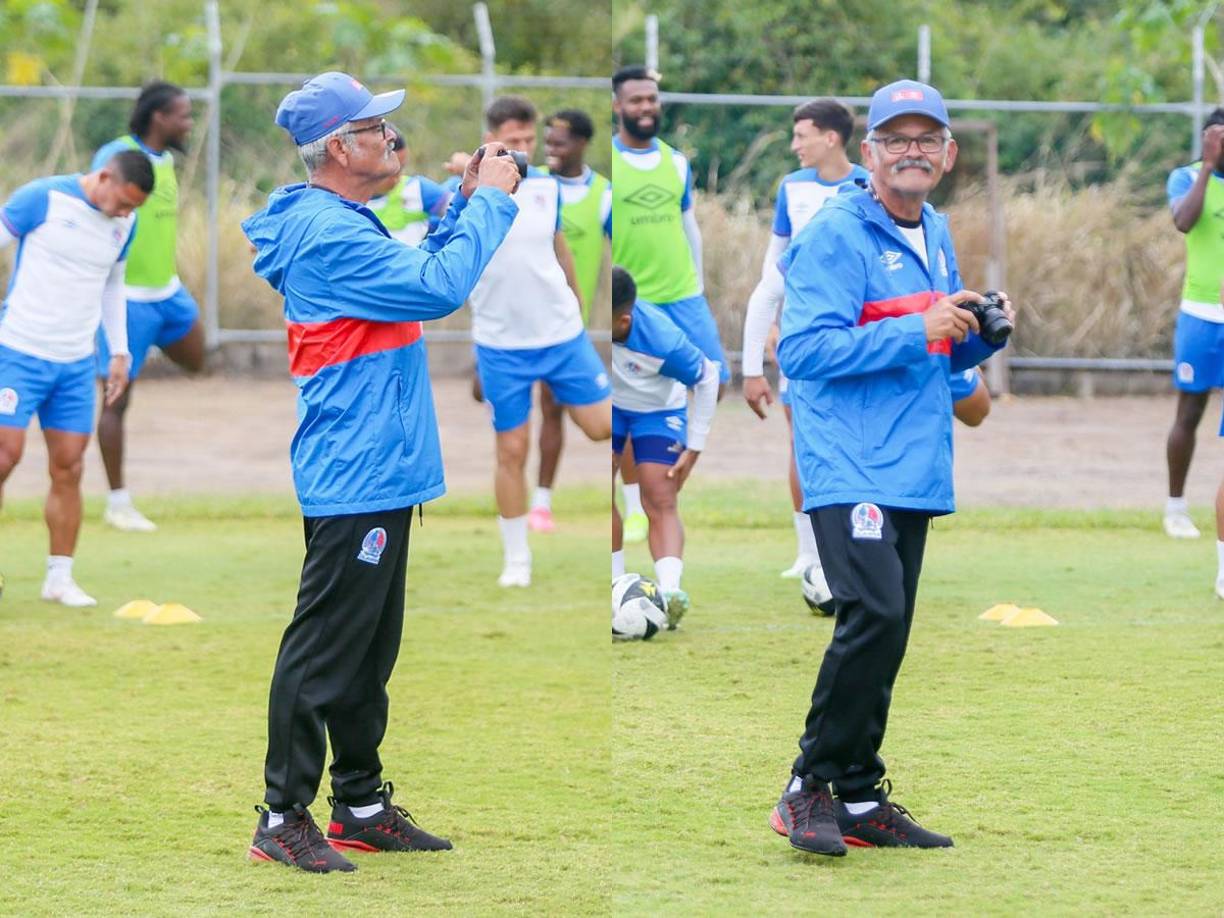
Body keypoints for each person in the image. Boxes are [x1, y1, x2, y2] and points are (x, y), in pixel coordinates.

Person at [241, 71, 521, 874]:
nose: (396, 142)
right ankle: (281, 816)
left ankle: (360, 804)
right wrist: (494, 201)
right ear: (340, 147)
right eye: (380, 130)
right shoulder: (328, 233)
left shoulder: (341, 222)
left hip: (379, 468)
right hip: (356, 469)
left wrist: (463, 204)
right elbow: (438, 289)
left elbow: (415, 277)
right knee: (326, 648)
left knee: (368, 651)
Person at [768, 79, 1014, 856]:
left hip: (912, 462)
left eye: (926, 138)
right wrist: (921, 330)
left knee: (889, 627)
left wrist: (979, 336)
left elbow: (933, 341)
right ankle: (806, 788)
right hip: (850, 459)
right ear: (868, 153)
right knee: (872, 612)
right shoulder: (837, 231)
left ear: (946, 155)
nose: (912, 150)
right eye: (896, 138)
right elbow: (803, 351)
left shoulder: (932, 227)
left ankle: (861, 793)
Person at [467, 96, 612, 588]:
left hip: (561, 335)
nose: (525, 150)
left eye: (530, 141)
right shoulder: (465, 191)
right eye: (514, 142)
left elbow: (559, 249)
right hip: (501, 345)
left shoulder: (548, 187)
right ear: (490, 140)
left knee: (602, 426)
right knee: (512, 449)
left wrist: (574, 304)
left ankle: (638, 509)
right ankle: (517, 560)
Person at [0, 152, 151, 605]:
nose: (125, 213)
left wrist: (119, 350)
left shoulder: (125, 223)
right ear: (104, 177)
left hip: (75, 362)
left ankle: (59, 577)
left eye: (133, 208)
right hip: (18, 351)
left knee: (69, 465)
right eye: (122, 202)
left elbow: (112, 285)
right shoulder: (41, 198)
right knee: (4, 457)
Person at [741, 99, 870, 578]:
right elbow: (773, 264)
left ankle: (860, 539)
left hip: (856, 340)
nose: (794, 145)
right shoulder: (791, 188)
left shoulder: (866, 185)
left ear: (831, 137)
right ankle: (808, 553)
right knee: (801, 440)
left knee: (856, 440)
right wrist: (771, 322)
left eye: (802, 136)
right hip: (800, 338)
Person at [92, 82, 204, 532]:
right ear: (160, 117)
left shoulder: (168, 161)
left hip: (168, 292)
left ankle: (149, 346)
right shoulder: (115, 154)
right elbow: (95, 205)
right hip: (127, 298)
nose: (189, 123)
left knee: (199, 358)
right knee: (116, 403)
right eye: (183, 115)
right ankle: (118, 502)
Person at [611, 267, 717, 623]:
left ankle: (670, 593)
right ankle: (614, 585)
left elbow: (708, 377)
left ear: (624, 319)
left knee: (659, 495)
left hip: (657, 410)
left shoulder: (664, 341)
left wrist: (695, 446)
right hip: (610, 407)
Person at [528, 108, 613, 534]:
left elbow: (625, 254)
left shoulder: (603, 194)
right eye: (548, 143)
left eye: (559, 143)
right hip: (525, 317)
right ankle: (539, 502)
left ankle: (543, 502)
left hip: (567, 322)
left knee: (557, 409)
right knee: (532, 405)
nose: (551, 151)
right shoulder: (532, 182)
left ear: (582, 143)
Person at [1164, 108, 1224, 541]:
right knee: (1190, 412)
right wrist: (1207, 165)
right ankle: (1176, 507)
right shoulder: (1185, 178)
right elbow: (1184, 221)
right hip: (1200, 317)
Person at [367, 123, 451, 246]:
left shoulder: (417, 189)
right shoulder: (349, 199)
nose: (397, 177)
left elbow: (461, 211)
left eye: (402, 169)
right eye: (391, 170)